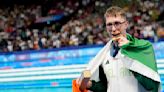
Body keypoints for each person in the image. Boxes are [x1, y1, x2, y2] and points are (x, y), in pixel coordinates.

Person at [72, 6, 161, 92]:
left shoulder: (142, 48)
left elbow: (152, 85)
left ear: (126, 24)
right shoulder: (103, 55)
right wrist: (90, 85)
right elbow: (105, 87)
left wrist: (128, 51)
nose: (113, 29)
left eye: (117, 23)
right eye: (109, 25)